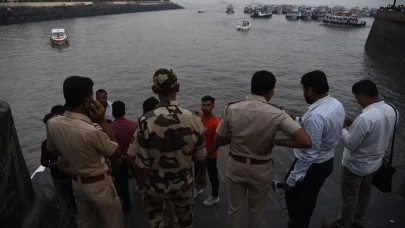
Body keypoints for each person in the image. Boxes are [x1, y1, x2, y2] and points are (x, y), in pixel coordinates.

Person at [208, 70, 312, 228]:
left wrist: (230, 139)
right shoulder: (277, 113)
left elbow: (219, 138)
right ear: (271, 91)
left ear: (252, 87)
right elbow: (305, 141)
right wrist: (276, 141)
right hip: (261, 168)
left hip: (236, 164)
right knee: (256, 211)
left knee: (234, 209)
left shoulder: (232, 108)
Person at [46, 76, 124, 228]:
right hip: (99, 184)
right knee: (114, 222)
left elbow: (52, 151)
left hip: (77, 183)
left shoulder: (53, 123)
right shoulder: (91, 130)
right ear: (87, 99)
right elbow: (116, 153)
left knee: (85, 223)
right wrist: (102, 121)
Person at [134, 68, 207, 228]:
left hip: (155, 184)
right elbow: (201, 154)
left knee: (155, 218)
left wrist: (141, 189)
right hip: (184, 183)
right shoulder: (194, 118)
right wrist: (202, 173)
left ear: (154, 90)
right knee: (185, 222)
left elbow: (142, 163)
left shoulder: (146, 121)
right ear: (178, 87)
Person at [322, 80, 398, 228]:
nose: (357, 102)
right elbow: (379, 128)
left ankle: (342, 223)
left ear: (363, 95)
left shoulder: (365, 118)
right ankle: (357, 220)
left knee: (350, 196)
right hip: (374, 163)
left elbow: (350, 143)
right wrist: (356, 124)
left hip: (355, 166)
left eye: (357, 98)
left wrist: (342, 129)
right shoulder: (393, 110)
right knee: (364, 194)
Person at [283, 70, 345, 228]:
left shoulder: (316, 116)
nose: (303, 93)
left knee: (293, 197)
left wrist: (292, 180)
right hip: (327, 161)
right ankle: (303, 222)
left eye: (304, 90)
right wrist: (292, 119)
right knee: (311, 196)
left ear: (310, 90)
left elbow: (309, 153)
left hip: (313, 166)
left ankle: (297, 225)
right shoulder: (335, 104)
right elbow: (311, 125)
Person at [41, 113, 76, 213]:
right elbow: (43, 161)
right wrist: (55, 164)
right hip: (61, 177)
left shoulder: (67, 138)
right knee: (67, 202)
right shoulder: (45, 144)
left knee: (75, 200)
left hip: (69, 176)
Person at [110, 100, 138, 213]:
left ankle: (126, 205)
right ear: (124, 111)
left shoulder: (109, 128)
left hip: (119, 160)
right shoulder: (133, 124)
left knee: (122, 183)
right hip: (133, 157)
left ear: (112, 112)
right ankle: (144, 195)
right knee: (139, 178)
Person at [195, 95, 220, 206]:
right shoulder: (198, 118)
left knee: (212, 175)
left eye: (208, 105)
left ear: (213, 106)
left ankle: (215, 196)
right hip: (198, 154)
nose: (205, 107)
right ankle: (198, 188)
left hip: (210, 155)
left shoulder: (215, 123)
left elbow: (216, 143)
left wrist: (206, 154)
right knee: (196, 172)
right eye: (203, 105)